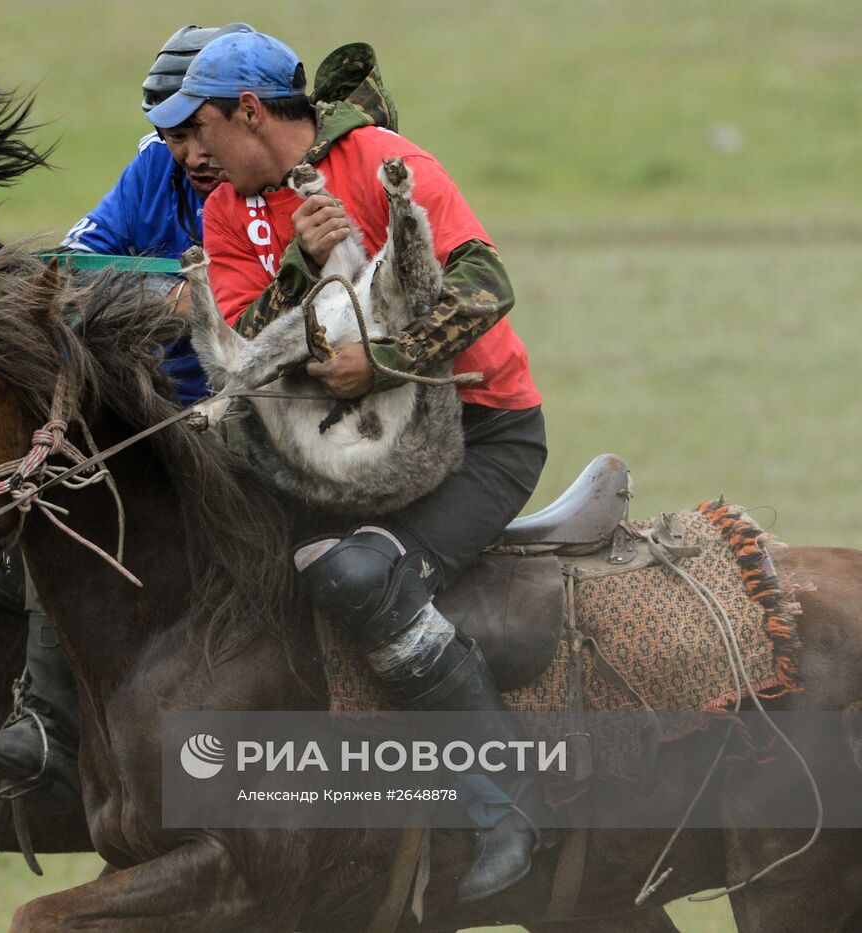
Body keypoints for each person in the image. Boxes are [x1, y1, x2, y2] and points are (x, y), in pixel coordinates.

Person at [147, 31, 547, 903]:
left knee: (365, 575)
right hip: (334, 461)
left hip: (485, 437)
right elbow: (246, 352)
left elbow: (485, 284)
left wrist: (387, 360)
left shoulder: (382, 162)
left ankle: (506, 808)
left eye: (202, 127)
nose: (193, 151)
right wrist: (297, 260)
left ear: (249, 111)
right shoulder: (222, 212)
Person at [0, 22, 252, 804]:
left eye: (195, 131)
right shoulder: (156, 169)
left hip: (258, 421)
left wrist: (184, 301)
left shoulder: (281, 185)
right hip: (162, 417)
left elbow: (241, 305)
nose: (187, 153)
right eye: (171, 134)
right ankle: (48, 725)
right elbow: (78, 268)